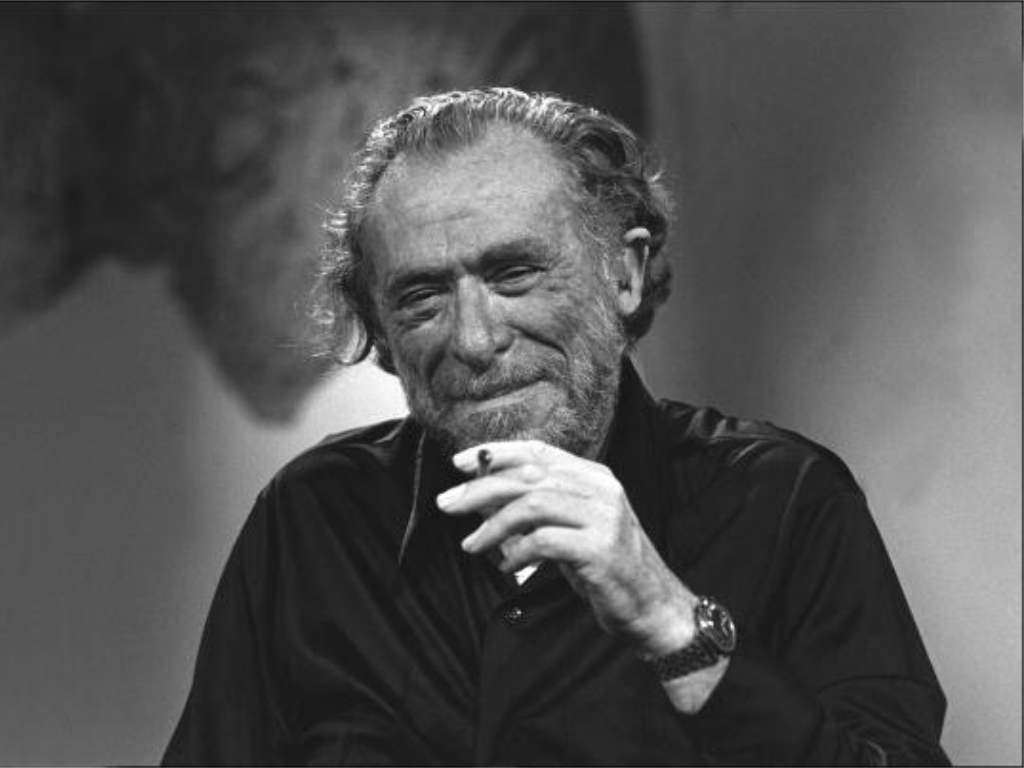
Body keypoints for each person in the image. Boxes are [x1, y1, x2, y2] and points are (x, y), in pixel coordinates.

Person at [163, 88, 949, 766]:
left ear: (624, 274)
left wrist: (672, 624)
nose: (475, 340)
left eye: (515, 275)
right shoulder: (312, 520)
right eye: (422, 297)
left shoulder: (784, 501)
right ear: (383, 333)